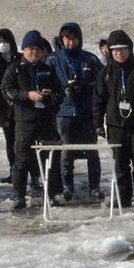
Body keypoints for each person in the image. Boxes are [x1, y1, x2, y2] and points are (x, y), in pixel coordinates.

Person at [93, 30, 134, 208]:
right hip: (115, 126)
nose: (119, 53)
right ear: (109, 51)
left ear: (129, 49)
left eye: (122, 49)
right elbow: (98, 100)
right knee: (119, 164)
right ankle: (123, 197)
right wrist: (98, 123)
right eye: (115, 50)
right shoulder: (105, 73)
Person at [0, 30, 64, 210]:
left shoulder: (48, 70)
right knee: (21, 160)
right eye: (29, 48)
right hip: (24, 121)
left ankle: (51, 194)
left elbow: (59, 95)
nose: (33, 52)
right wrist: (26, 95)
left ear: (42, 51)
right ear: (23, 50)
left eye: (36, 48)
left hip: (45, 121)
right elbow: (6, 89)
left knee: (49, 159)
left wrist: (48, 98)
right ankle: (19, 196)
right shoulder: (15, 68)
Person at [45, 22, 104, 200]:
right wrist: (63, 90)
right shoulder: (54, 59)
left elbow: (102, 82)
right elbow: (47, 83)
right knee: (66, 151)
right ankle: (67, 187)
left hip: (86, 112)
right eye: (67, 39)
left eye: (74, 38)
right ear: (62, 40)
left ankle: (94, 187)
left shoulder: (90, 59)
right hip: (64, 112)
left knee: (92, 150)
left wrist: (85, 87)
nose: (70, 42)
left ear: (79, 39)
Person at [0, 28, 42, 187]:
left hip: (22, 106)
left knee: (26, 141)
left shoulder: (19, 58)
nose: (1, 44)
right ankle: (13, 171)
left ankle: (34, 174)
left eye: (4, 41)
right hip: (4, 108)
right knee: (10, 141)